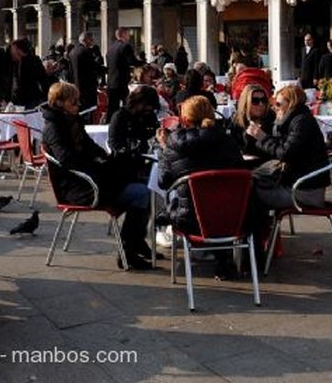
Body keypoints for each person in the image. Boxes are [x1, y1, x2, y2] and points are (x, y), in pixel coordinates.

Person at [41, 82, 152, 270]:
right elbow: (67, 159)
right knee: (142, 193)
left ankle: (135, 242)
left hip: (88, 181)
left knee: (138, 183)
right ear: (59, 103)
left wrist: (106, 158)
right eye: (73, 102)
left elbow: (89, 146)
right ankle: (128, 249)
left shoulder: (71, 121)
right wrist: (98, 166)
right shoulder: (54, 128)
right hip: (80, 188)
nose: (78, 105)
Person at [157, 95, 246, 279]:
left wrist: (164, 150)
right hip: (232, 216)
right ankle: (226, 260)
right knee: (215, 202)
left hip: (190, 219)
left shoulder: (175, 144)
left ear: (185, 119)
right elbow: (241, 171)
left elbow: (163, 182)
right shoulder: (228, 141)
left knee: (170, 209)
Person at [245, 84, 330, 210]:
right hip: (298, 184)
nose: (274, 107)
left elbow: (286, 153)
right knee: (250, 182)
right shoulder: (296, 120)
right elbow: (285, 147)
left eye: (278, 104)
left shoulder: (301, 122)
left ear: (290, 104)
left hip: (304, 191)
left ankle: (259, 230)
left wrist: (262, 137)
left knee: (248, 193)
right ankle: (264, 229)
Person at [107, 85, 161, 180]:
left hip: (147, 160)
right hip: (126, 166)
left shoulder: (148, 115)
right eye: (147, 107)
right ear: (139, 102)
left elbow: (154, 133)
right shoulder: (120, 117)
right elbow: (115, 144)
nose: (149, 111)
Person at [228, 83, 276, 163]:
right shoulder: (236, 120)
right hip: (243, 164)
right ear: (246, 103)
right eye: (255, 101)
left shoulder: (273, 118)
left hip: (268, 164)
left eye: (263, 100)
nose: (261, 104)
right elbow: (230, 146)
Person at [106, 27, 142, 122]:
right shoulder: (126, 46)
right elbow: (132, 61)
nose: (129, 36)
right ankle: (128, 123)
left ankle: (109, 125)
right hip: (121, 81)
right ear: (123, 34)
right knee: (128, 105)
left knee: (112, 107)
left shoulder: (110, 48)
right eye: (128, 34)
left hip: (111, 82)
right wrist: (145, 64)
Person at [68, 32, 101, 111]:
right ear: (87, 40)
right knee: (89, 111)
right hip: (88, 87)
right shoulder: (87, 51)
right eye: (91, 40)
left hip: (76, 86)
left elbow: (70, 70)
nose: (92, 42)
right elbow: (93, 68)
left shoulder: (72, 52)